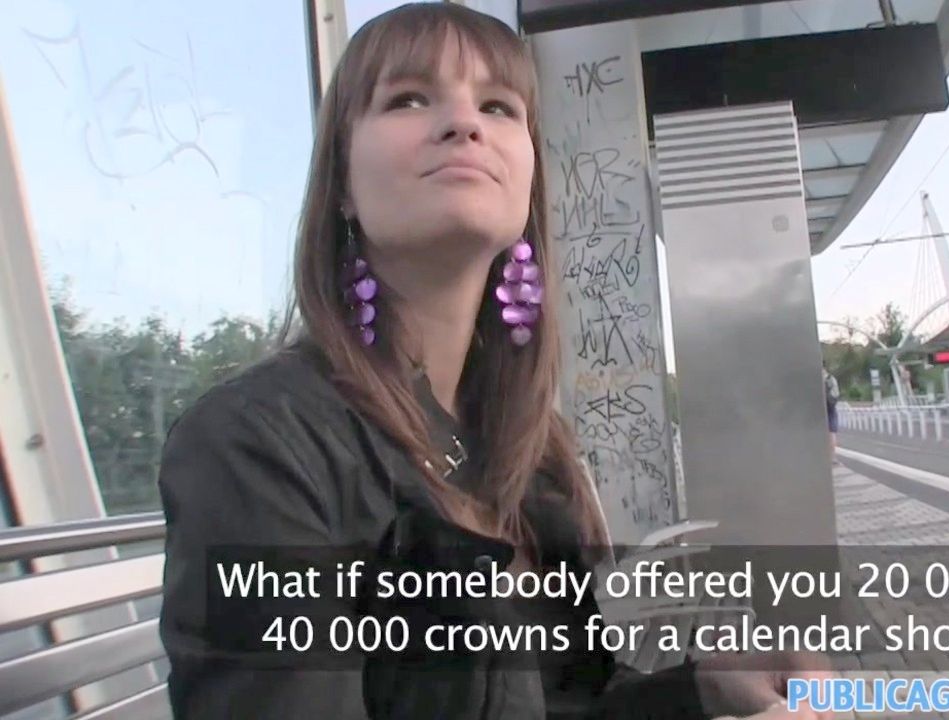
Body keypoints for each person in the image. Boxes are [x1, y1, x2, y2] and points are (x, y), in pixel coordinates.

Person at [156, 4, 832, 719]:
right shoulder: (258, 446)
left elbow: (561, 702)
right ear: (343, 186)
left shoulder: (530, 451)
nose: (464, 123)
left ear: (527, 183)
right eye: (409, 98)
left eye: (498, 106)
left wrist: (702, 690)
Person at [823, 366, 840, 463]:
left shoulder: (814, 378)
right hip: (831, 407)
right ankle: (833, 457)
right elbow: (836, 394)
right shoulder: (831, 378)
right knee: (832, 432)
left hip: (819, 409)